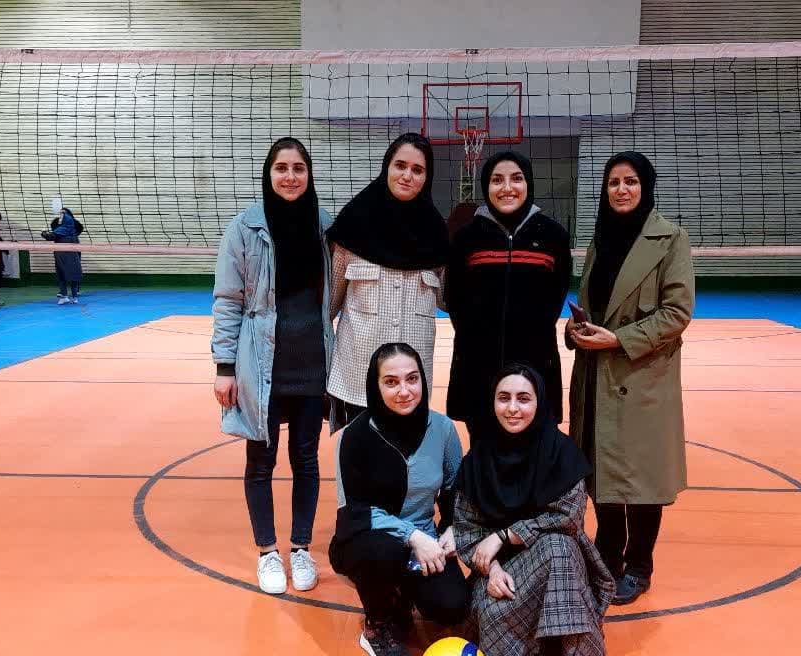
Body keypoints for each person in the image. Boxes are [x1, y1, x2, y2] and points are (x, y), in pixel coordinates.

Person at [566, 151, 695, 606]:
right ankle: (607, 555)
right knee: (601, 470)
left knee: (641, 478)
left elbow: (677, 312)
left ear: (646, 187)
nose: (621, 190)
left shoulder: (671, 239)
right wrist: (578, 330)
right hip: (597, 375)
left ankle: (639, 565)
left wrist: (619, 340)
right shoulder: (600, 239)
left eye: (631, 181)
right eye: (614, 182)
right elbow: (593, 304)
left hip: (641, 376)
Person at [211, 137, 334, 595]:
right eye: (281, 168)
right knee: (261, 462)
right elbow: (228, 300)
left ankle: (300, 548)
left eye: (298, 168)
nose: (290, 177)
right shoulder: (244, 228)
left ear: (309, 174)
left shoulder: (324, 225)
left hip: (312, 364)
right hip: (261, 365)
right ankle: (267, 552)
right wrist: (224, 366)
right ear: (269, 174)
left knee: (306, 460)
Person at [454, 364, 614, 656]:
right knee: (494, 621)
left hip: (557, 567)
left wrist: (504, 535)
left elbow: (568, 518)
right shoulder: (478, 459)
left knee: (559, 547)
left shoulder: (561, 453)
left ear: (539, 402)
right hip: (500, 571)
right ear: (492, 403)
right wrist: (492, 569)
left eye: (524, 399)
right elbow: (466, 530)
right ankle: (533, 648)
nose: (513, 408)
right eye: (504, 398)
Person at [330, 343, 469, 656]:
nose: (404, 391)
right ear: (375, 386)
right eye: (391, 382)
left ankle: (402, 594)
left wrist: (452, 528)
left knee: (451, 606)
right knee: (386, 551)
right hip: (367, 540)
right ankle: (377, 626)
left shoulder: (443, 430)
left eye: (412, 379)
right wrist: (413, 537)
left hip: (425, 542)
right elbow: (355, 512)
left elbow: (456, 493)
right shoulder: (356, 436)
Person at [445, 151, 571, 444]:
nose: (507, 188)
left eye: (516, 179)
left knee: (534, 452)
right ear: (486, 186)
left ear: (528, 184)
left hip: (536, 366)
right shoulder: (466, 238)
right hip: (479, 368)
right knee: (483, 450)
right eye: (497, 180)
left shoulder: (553, 236)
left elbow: (556, 298)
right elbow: (456, 301)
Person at [325, 132, 448, 427]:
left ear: (427, 178)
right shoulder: (352, 224)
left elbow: (449, 301)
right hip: (356, 382)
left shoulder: (438, 235)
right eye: (400, 165)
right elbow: (327, 307)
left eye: (417, 170)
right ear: (387, 168)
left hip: (411, 388)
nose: (407, 175)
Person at [42, 207, 84, 304]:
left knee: (63, 275)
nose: (60, 216)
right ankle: (73, 297)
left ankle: (66, 296)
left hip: (62, 256)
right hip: (72, 255)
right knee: (72, 275)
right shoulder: (73, 230)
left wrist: (43, 232)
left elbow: (49, 236)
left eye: (62, 215)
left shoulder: (61, 230)